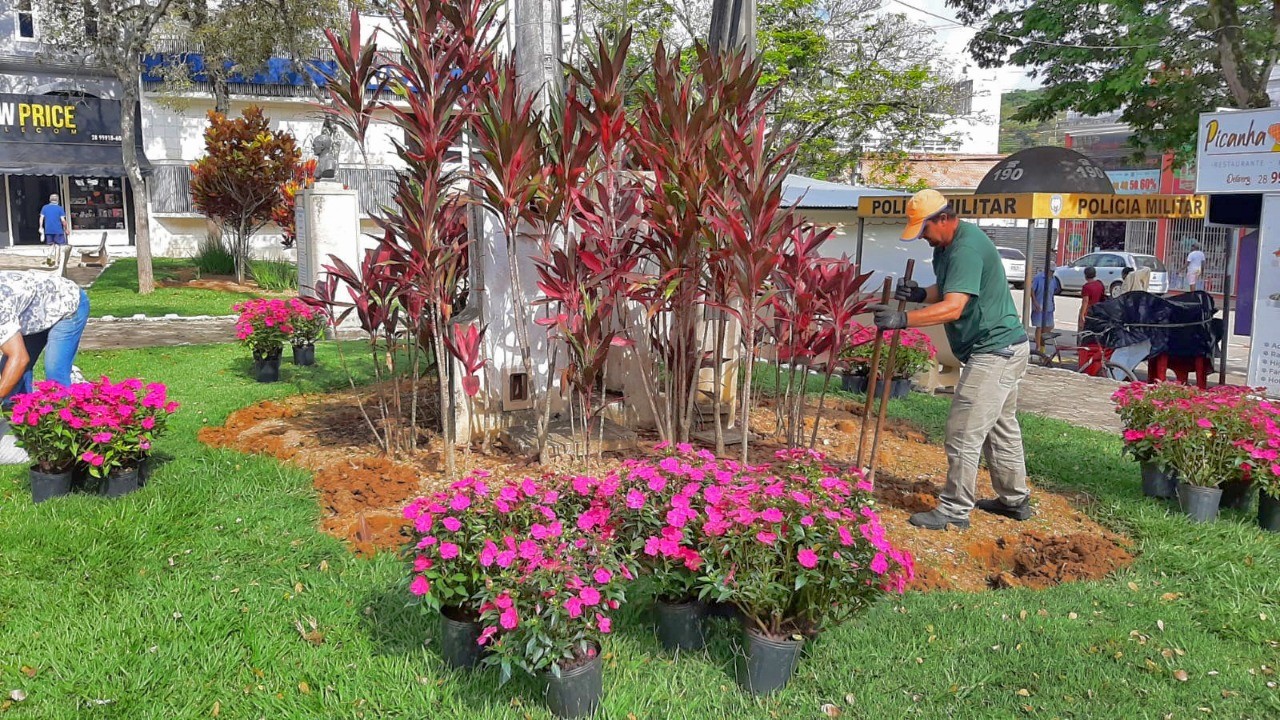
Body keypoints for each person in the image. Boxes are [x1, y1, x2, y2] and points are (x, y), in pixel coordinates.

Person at [870, 189, 1031, 530]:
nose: (922, 238)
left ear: (943, 218)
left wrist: (904, 319)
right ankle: (1015, 501)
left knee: (963, 431)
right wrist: (919, 294)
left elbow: (954, 306)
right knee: (1001, 427)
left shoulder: (966, 249)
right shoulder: (947, 245)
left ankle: (955, 511)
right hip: (1004, 348)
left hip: (995, 351)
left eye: (924, 229)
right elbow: (950, 290)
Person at [1030, 263, 1061, 350]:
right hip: (1039, 306)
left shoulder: (1053, 279)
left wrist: (1053, 303)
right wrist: (1035, 302)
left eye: (1053, 271)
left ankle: (1040, 339)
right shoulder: (1038, 278)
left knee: (1050, 325)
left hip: (1049, 306)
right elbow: (1032, 290)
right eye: (1051, 271)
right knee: (1039, 326)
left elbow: (1052, 292)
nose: (1052, 272)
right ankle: (1038, 346)